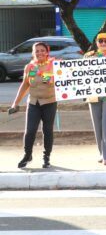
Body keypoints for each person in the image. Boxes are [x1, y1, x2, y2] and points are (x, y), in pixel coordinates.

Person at [10, 41, 57, 169]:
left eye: (42, 50)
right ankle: (27, 155)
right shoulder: (30, 67)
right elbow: (25, 84)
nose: (39, 53)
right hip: (33, 103)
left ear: (47, 52)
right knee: (30, 131)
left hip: (49, 102)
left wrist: (50, 78)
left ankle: (46, 157)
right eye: (37, 51)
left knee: (47, 130)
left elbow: (62, 81)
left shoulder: (54, 65)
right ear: (33, 53)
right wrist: (15, 103)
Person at [85, 32, 106, 166]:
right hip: (94, 94)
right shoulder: (89, 56)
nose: (103, 43)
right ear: (96, 43)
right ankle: (102, 152)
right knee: (97, 124)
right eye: (101, 41)